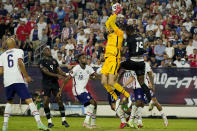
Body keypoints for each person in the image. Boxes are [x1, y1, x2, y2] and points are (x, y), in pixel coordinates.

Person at [0, 38, 48, 131]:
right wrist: (26, 76)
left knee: (9, 102)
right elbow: (20, 63)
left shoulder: (2, 56)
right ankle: (39, 123)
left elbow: (1, 71)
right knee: (29, 100)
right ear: (15, 43)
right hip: (17, 79)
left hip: (7, 81)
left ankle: (4, 126)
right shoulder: (19, 51)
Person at [118, 25, 153, 127]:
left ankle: (111, 78)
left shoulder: (129, 38)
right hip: (141, 62)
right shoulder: (140, 36)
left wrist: (121, 51)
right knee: (142, 83)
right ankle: (150, 100)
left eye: (126, 31)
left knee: (119, 65)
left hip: (133, 61)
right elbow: (143, 48)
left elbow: (124, 51)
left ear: (128, 31)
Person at [101, 3, 132, 109]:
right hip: (107, 58)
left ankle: (128, 96)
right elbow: (108, 23)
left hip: (114, 58)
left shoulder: (120, 33)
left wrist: (116, 13)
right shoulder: (111, 33)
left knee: (111, 82)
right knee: (103, 82)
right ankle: (116, 97)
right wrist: (115, 12)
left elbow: (111, 23)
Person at [59, 54, 100, 129]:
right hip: (78, 91)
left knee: (95, 104)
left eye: (85, 58)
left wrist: (102, 78)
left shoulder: (88, 68)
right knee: (92, 103)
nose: (85, 59)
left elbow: (95, 75)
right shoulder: (76, 68)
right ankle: (85, 123)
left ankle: (93, 124)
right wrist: (60, 91)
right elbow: (67, 79)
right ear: (79, 60)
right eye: (83, 58)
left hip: (84, 90)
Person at [39, 47, 69, 129]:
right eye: (47, 50)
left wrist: (66, 74)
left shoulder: (54, 61)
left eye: (49, 50)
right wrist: (56, 75)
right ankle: (49, 122)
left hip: (54, 83)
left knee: (59, 99)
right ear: (44, 52)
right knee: (45, 102)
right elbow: (45, 71)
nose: (49, 51)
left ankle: (64, 120)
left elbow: (59, 71)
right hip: (46, 83)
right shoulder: (41, 62)